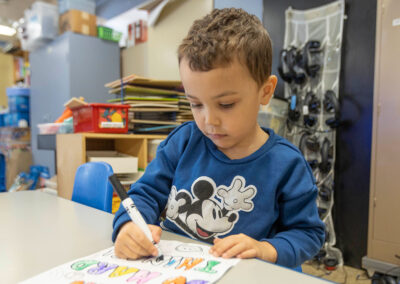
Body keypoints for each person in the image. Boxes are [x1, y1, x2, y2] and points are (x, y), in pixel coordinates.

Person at [112, 8, 324, 268]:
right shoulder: (183, 142)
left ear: (265, 91)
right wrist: (129, 227)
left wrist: (265, 248)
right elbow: (144, 194)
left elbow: (308, 234)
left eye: (226, 104)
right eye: (196, 104)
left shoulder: (286, 164)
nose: (208, 121)